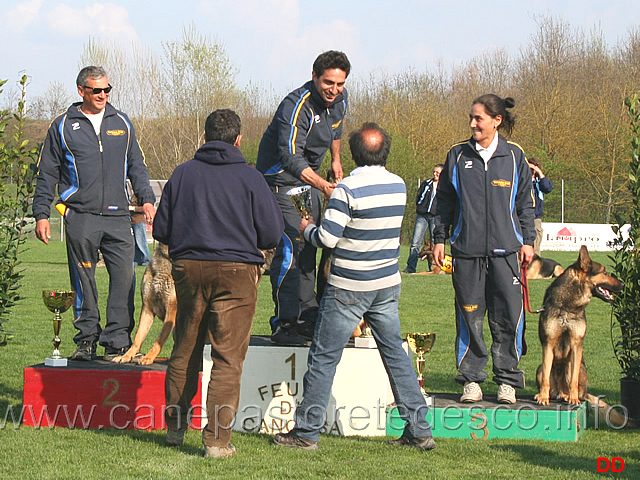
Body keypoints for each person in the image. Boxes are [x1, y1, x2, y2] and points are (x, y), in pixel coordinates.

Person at [273, 123, 435, 452]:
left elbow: (326, 238)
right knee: (395, 356)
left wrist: (306, 227)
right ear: (385, 151)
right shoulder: (399, 185)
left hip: (348, 287)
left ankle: (306, 432)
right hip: (386, 284)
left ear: (353, 153)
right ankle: (419, 428)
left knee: (323, 358)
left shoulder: (347, 190)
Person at [153, 109, 283, 459]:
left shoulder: (181, 174)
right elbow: (272, 233)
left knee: (186, 348)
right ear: (238, 140)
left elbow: (160, 230)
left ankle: (175, 429)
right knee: (227, 357)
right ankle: (217, 441)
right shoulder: (252, 178)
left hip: (189, 268)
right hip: (237, 272)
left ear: (204, 137)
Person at [33, 66, 156, 362]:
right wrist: (40, 214)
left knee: (124, 279)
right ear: (81, 91)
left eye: (107, 90)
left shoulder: (122, 123)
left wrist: (148, 199)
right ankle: (86, 339)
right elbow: (47, 173)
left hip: (118, 217)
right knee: (83, 280)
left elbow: (136, 166)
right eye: (96, 90)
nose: (103, 95)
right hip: (81, 216)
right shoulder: (62, 126)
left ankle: (116, 341)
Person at [433, 94, 535, 405]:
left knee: (508, 317)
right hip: (467, 252)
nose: (472, 123)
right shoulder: (457, 155)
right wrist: (440, 238)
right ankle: (471, 380)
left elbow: (525, 204)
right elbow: (444, 203)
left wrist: (528, 241)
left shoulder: (515, 156)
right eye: (471, 117)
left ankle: (507, 380)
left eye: (478, 118)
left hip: (508, 254)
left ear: (496, 120)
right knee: (469, 317)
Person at [256, 50, 350, 346]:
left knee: (313, 246)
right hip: (281, 183)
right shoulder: (296, 106)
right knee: (291, 251)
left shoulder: (340, 101)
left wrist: (335, 160)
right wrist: (324, 186)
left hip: (311, 184)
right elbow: (290, 158)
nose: (333, 90)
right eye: (328, 83)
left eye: (340, 83)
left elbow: (337, 130)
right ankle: (284, 323)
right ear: (314, 77)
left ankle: (308, 319)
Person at [403, 164, 444, 273]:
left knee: (435, 243)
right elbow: (419, 197)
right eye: (434, 172)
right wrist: (420, 207)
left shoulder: (445, 186)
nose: (435, 174)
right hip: (423, 216)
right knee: (415, 243)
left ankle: (436, 267)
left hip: (436, 217)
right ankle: (410, 267)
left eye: (437, 172)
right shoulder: (427, 184)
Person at [528, 157, 553, 256]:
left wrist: (539, 172)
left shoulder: (539, 182)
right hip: (521, 216)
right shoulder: (521, 179)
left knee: (535, 246)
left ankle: (535, 268)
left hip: (535, 217)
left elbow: (547, 188)